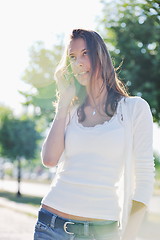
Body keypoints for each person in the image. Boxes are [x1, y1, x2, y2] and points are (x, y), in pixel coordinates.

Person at [33, 29, 155, 240]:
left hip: (102, 232)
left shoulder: (134, 108)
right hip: (51, 226)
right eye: (72, 57)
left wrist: (130, 235)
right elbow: (49, 160)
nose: (78, 62)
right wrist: (62, 105)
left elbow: (144, 178)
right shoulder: (70, 111)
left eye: (85, 53)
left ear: (101, 56)